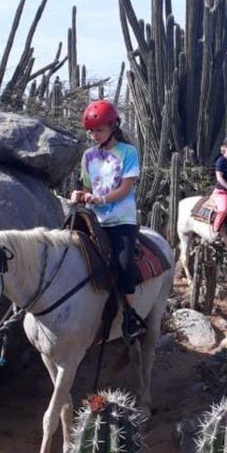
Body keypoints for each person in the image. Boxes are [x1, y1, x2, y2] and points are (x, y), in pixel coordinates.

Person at [70, 99, 146, 341]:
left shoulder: (128, 152)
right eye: (91, 131)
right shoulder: (88, 156)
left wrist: (100, 199)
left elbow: (125, 188)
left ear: (113, 126)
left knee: (124, 266)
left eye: (99, 130)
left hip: (121, 219)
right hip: (95, 218)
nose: (94, 135)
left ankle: (131, 315)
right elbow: (86, 186)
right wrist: (79, 195)